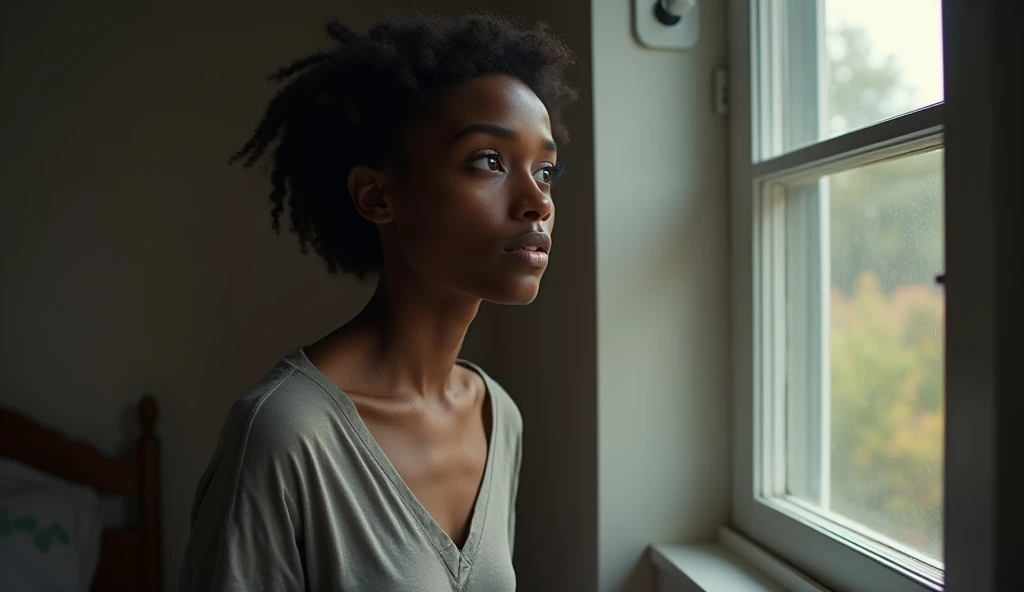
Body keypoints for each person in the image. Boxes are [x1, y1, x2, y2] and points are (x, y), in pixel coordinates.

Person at [178, 12, 575, 591]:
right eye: (489, 160)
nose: (536, 201)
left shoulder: (498, 417)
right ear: (377, 195)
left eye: (545, 171)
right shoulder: (283, 434)